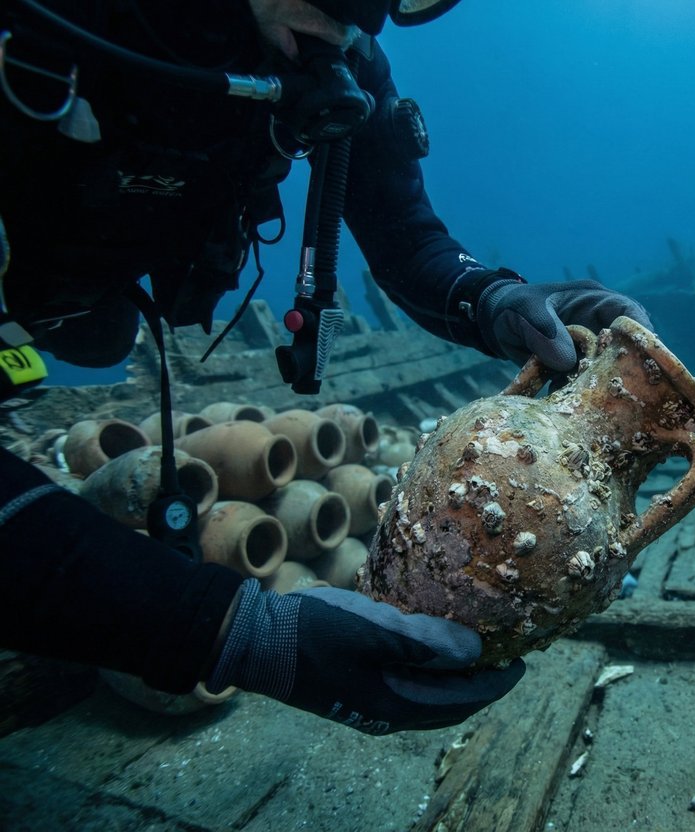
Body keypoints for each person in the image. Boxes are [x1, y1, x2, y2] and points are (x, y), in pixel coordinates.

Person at [0, 0, 653, 734]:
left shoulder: (337, 62)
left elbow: (407, 235)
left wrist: (493, 296)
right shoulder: (53, 19)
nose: (358, 7)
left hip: (91, 299)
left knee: (101, 334)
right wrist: (224, 631)